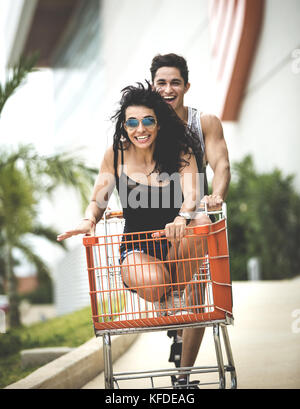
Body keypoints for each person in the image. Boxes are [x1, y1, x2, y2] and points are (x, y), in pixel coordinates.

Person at [57, 82, 210, 387]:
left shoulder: (181, 150)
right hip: (138, 251)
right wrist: (89, 220)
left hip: (178, 246)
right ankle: (174, 299)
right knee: (164, 287)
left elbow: (194, 194)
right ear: (124, 125)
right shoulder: (116, 155)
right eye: (132, 122)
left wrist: (182, 217)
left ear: (159, 122)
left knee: (202, 221)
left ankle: (183, 374)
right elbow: (98, 201)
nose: (140, 129)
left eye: (148, 120)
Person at [150, 53, 231, 385]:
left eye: (175, 82)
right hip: (157, 226)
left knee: (198, 298)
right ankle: (175, 319)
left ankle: (182, 377)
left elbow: (221, 164)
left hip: (196, 219)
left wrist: (218, 194)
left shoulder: (204, 122)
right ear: (152, 86)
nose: (168, 89)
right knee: (170, 292)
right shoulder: (145, 125)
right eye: (161, 83)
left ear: (186, 86)